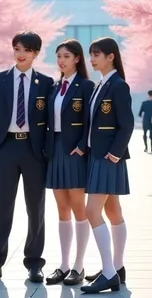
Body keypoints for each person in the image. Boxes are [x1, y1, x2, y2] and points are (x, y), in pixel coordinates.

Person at [0, 31, 54, 283]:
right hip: (6, 149)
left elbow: (50, 119)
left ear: (35, 53)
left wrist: (45, 150)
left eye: (26, 50)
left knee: (35, 208)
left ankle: (34, 264)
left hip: (34, 151)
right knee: (1, 206)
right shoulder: (0, 80)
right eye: (17, 48)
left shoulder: (45, 83)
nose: (20, 54)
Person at [80, 37, 133, 294]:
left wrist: (114, 154)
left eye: (97, 54)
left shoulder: (118, 86)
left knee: (91, 211)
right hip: (96, 155)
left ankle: (109, 273)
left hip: (107, 157)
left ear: (111, 56)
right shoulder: (100, 85)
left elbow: (127, 124)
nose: (92, 59)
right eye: (91, 54)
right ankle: (117, 268)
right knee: (112, 211)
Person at [44, 39, 95, 286]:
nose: (61, 60)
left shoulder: (86, 86)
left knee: (79, 209)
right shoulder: (54, 87)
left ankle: (79, 265)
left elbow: (91, 120)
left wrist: (82, 147)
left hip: (75, 153)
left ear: (77, 58)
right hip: (55, 152)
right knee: (61, 209)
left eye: (66, 56)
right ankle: (63, 265)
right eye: (58, 56)